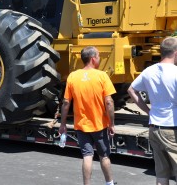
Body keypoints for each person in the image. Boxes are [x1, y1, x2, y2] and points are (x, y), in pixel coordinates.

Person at [59, 46, 116, 185]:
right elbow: (109, 102)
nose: (99, 58)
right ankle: (109, 183)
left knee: (87, 156)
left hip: (81, 126)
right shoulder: (102, 76)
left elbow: (66, 102)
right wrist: (111, 124)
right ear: (93, 59)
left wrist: (62, 123)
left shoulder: (73, 76)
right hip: (99, 125)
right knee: (104, 156)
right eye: (98, 56)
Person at [128, 37, 177, 185]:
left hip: (154, 127)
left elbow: (131, 90)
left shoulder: (149, 71)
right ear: (175, 53)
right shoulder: (175, 72)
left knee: (162, 175)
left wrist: (147, 111)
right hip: (172, 129)